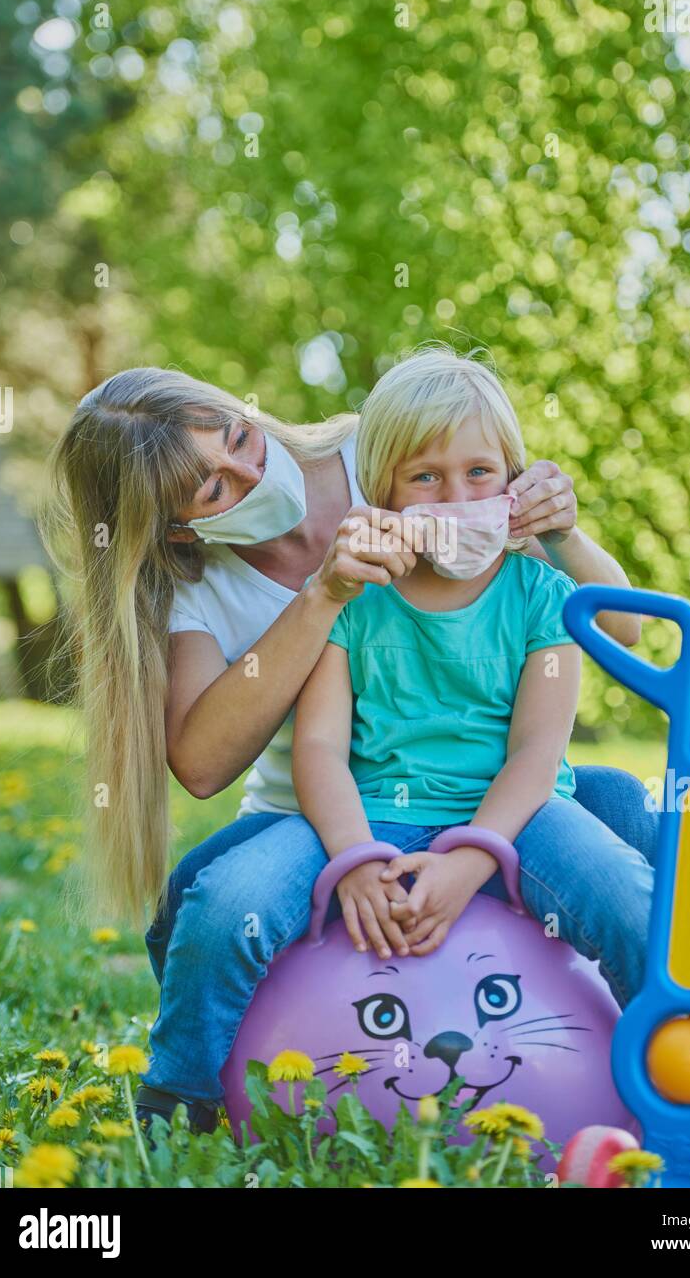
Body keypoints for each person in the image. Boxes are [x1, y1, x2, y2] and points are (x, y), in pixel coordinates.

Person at [40, 353, 653, 1138]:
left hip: (505, 794)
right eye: (216, 486)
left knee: (629, 836)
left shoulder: (405, 443)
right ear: (177, 526)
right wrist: (323, 594)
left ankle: (687, 1065)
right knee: (220, 900)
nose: (249, 470)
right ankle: (181, 1106)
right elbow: (216, 763)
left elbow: (614, 639)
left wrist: (560, 528)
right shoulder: (248, 590)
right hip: (328, 809)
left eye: (238, 435)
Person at [292, 349, 654, 1005]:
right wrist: (354, 858)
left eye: (480, 472)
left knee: (630, 901)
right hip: (380, 819)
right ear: (382, 495)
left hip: (523, 816)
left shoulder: (540, 588)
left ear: (515, 483)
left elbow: (544, 741)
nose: (457, 499)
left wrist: (472, 858)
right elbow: (317, 747)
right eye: (425, 477)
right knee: (224, 899)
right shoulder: (352, 595)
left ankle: (688, 1084)